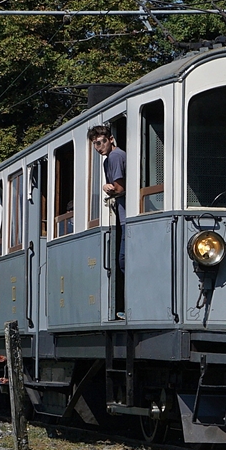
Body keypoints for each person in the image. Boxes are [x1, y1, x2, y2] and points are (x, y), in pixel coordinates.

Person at [88, 125, 126, 315]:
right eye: (95, 144)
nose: (98, 147)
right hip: (122, 214)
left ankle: (128, 307)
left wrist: (108, 188)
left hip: (127, 215)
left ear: (110, 139)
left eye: (101, 142)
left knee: (123, 260)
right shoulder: (107, 160)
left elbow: (119, 188)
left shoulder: (115, 157)